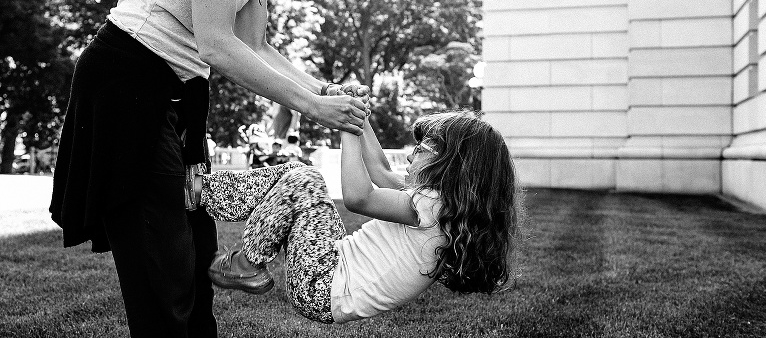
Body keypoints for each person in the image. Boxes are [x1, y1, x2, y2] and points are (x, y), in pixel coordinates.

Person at [49, 0, 367, 337]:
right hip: (127, 82)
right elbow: (216, 44)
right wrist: (310, 106)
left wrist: (321, 90)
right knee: (162, 257)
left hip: (180, 92)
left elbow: (255, 46)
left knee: (197, 247)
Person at [186, 110, 524, 324]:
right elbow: (379, 170)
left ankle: (240, 253)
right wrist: (359, 118)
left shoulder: (434, 206)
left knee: (305, 180)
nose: (415, 151)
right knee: (294, 176)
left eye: (425, 148)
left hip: (324, 285)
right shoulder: (440, 207)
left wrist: (346, 128)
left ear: (454, 167)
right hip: (327, 276)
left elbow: (359, 197)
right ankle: (203, 192)